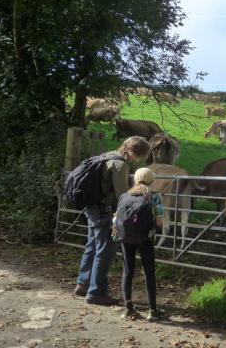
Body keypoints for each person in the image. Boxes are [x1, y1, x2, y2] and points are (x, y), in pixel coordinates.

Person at [74, 136, 151, 305]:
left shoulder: (108, 155)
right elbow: (122, 197)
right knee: (105, 251)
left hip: (92, 207)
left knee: (92, 246)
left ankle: (83, 284)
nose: (139, 161)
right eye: (140, 156)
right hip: (104, 212)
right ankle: (96, 293)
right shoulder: (121, 165)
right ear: (134, 152)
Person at [113, 167, 166, 321]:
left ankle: (128, 308)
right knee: (149, 272)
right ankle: (152, 310)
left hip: (126, 238)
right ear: (151, 181)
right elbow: (159, 221)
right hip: (146, 238)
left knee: (128, 271)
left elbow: (117, 218)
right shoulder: (154, 197)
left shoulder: (124, 196)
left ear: (135, 179)